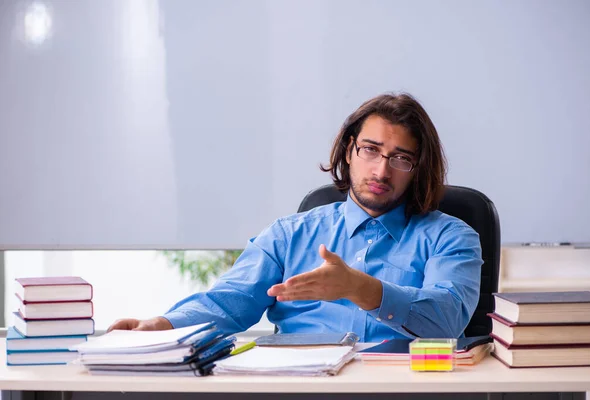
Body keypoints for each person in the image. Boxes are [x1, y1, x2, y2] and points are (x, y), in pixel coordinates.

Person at [109, 93, 482, 341]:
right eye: (370, 150)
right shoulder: (289, 235)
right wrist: (161, 326)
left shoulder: (451, 237)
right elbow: (228, 303)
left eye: (401, 159)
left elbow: (448, 319)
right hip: (299, 388)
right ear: (349, 150)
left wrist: (359, 288)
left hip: (404, 392)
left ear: (418, 168)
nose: (382, 172)